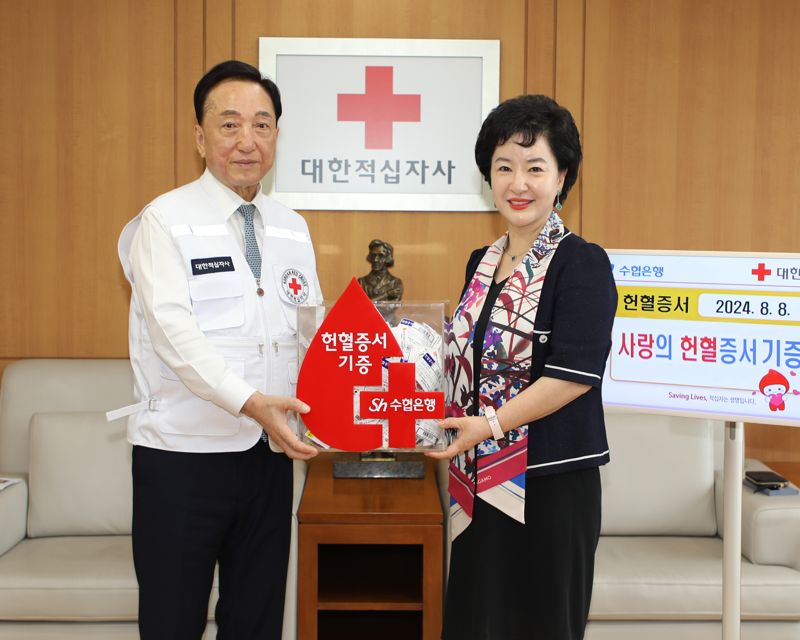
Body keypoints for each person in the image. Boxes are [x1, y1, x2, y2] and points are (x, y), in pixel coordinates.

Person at [114, 60, 321, 639]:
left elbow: (310, 332)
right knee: (172, 621)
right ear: (200, 139)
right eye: (229, 125)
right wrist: (253, 401)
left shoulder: (292, 227)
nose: (246, 141)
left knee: (255, 621)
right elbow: (174, 338)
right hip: (182, 459)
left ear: (277, 135)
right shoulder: (165, 221)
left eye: (262, 124)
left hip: (269, 459)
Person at [428, 94, 618, 639]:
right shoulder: (480, 263)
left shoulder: (581, 262)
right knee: (475, 621)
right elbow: (460, 361)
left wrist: (489, 425)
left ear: (562, 178)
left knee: (540, 626)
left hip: (552, 487)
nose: (519, 183)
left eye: (536, 168)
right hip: (477, 481)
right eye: (504, 167)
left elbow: (574, 375)